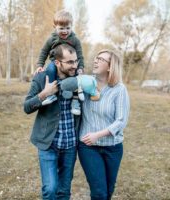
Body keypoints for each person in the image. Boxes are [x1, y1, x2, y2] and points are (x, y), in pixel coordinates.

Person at [24, 44, 81, 200]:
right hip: (48, 143)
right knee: (50, 189)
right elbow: (27, 107)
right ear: (57, 62)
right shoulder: (42, 78)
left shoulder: (78, 80)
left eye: (76, 61)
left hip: (70, 145)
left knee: (64, 191)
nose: (74, 66)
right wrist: (44, 93)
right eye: (70, 62)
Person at [78, 49, 130, 200]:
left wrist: (99, 135)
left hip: (113, 147)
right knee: (99, 192)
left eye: (100, 59)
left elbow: (121, 120)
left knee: (108, 190)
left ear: (110, 66)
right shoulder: (85, 83)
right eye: (95, 58)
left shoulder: (119, 89)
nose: (95, 61)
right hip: (88, 146)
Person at [35, 10, 84, 115]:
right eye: (61, 28)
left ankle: (75, 101)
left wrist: (80, 67)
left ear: (71, 26)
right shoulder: (51, 39)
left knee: (75, 77)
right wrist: (40, 65)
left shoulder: (74, 40)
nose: (65, 31)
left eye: (68, 28)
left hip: (71, 63)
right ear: (54, 27)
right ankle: (51, 94)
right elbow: (44, 52)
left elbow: (79, 54)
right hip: (55, 62)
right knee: (50, 69)